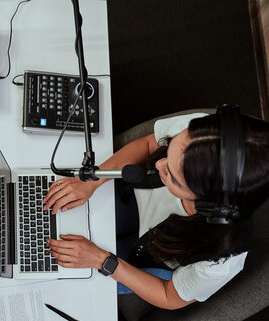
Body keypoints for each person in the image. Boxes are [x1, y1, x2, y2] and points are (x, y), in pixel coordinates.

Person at [43, 107, 269, 310]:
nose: (159, 163)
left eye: (173, 176)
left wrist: (103, 261)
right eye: (170, 149)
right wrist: (94, 180)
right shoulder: (201, 135)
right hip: (123, 192)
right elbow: (149, 144)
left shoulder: (220, 260)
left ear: (207, 204)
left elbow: (169, 296)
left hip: (136, 257)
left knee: (51, 279)